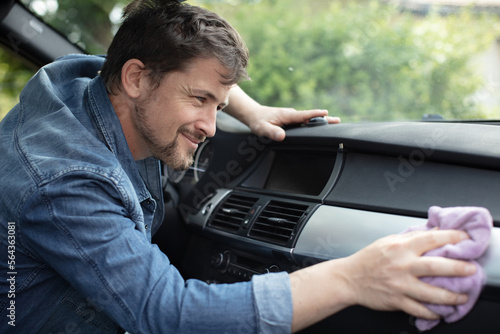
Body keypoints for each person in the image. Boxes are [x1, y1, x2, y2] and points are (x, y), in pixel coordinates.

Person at [0, 1, 475, 333]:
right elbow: (167, 315)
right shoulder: (66, 181)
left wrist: (246, 109)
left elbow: (167, 58)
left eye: (219, 104)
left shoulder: (83, 84)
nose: (210, 125)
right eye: (200, 100)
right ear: (137, 78)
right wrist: (353, 278)